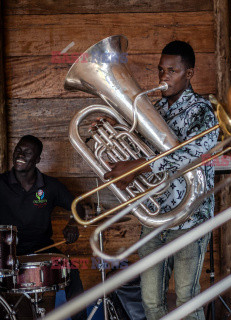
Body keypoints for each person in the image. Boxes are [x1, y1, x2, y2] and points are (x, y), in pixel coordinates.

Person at [104, 41, 219, 320]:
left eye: (172, 70)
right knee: (151, 302)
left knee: (187, 299)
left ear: (189, 73)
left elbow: (191, 153)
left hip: (190, 218)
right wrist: (111, 135)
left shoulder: (204, 110)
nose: (163, 77)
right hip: (155, 218)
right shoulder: (151, 110)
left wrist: (139, 166)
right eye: (160, 70)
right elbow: (136, 154)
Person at [0, 135, 87, 320]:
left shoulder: (50, 187)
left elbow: (78, 206)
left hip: (42, 249)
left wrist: (73, 223)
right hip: (6, 253)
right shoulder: (1, 183)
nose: (20, 155)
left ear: (38, 159)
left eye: (27, 152)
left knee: (71, 271)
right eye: (18, 150)